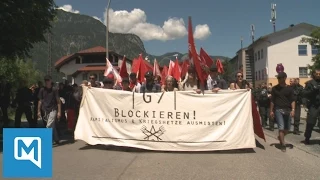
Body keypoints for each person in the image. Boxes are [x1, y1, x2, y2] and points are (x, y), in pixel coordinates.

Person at [270, 72, 295, 152]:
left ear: (284, 78)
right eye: (278, 78)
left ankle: (280, 137)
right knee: (281, 128)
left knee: (287, 129)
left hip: (288, 110)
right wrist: (271, 111)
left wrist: (293, 110)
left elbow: (292, 100)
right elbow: (272, 101)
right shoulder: (274, 89)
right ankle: (283, 145)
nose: (279, 79)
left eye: (280, 78)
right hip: (278, 110)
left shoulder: (290, 89)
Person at [38, 75, 61, 144]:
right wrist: (38, 111)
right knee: (52, 125)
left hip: (53, 109)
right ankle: (56, 139)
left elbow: (58, 101)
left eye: (48, 80)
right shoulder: (42, 90)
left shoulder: (54, 90)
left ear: (51, 80)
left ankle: (45, 140)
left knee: (48, 125)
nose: (47, 82)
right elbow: (40, 101)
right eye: (45, 80)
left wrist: (59, 111)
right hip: (45, 110)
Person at [302, 69, 320, 144]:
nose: (318, 75)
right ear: (313, 74)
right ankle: (307, 137)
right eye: (317, 74)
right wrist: (312, 91)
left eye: (319, 74)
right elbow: (304, 93)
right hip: (314, 105)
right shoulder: (310, 83)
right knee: (311, 122)